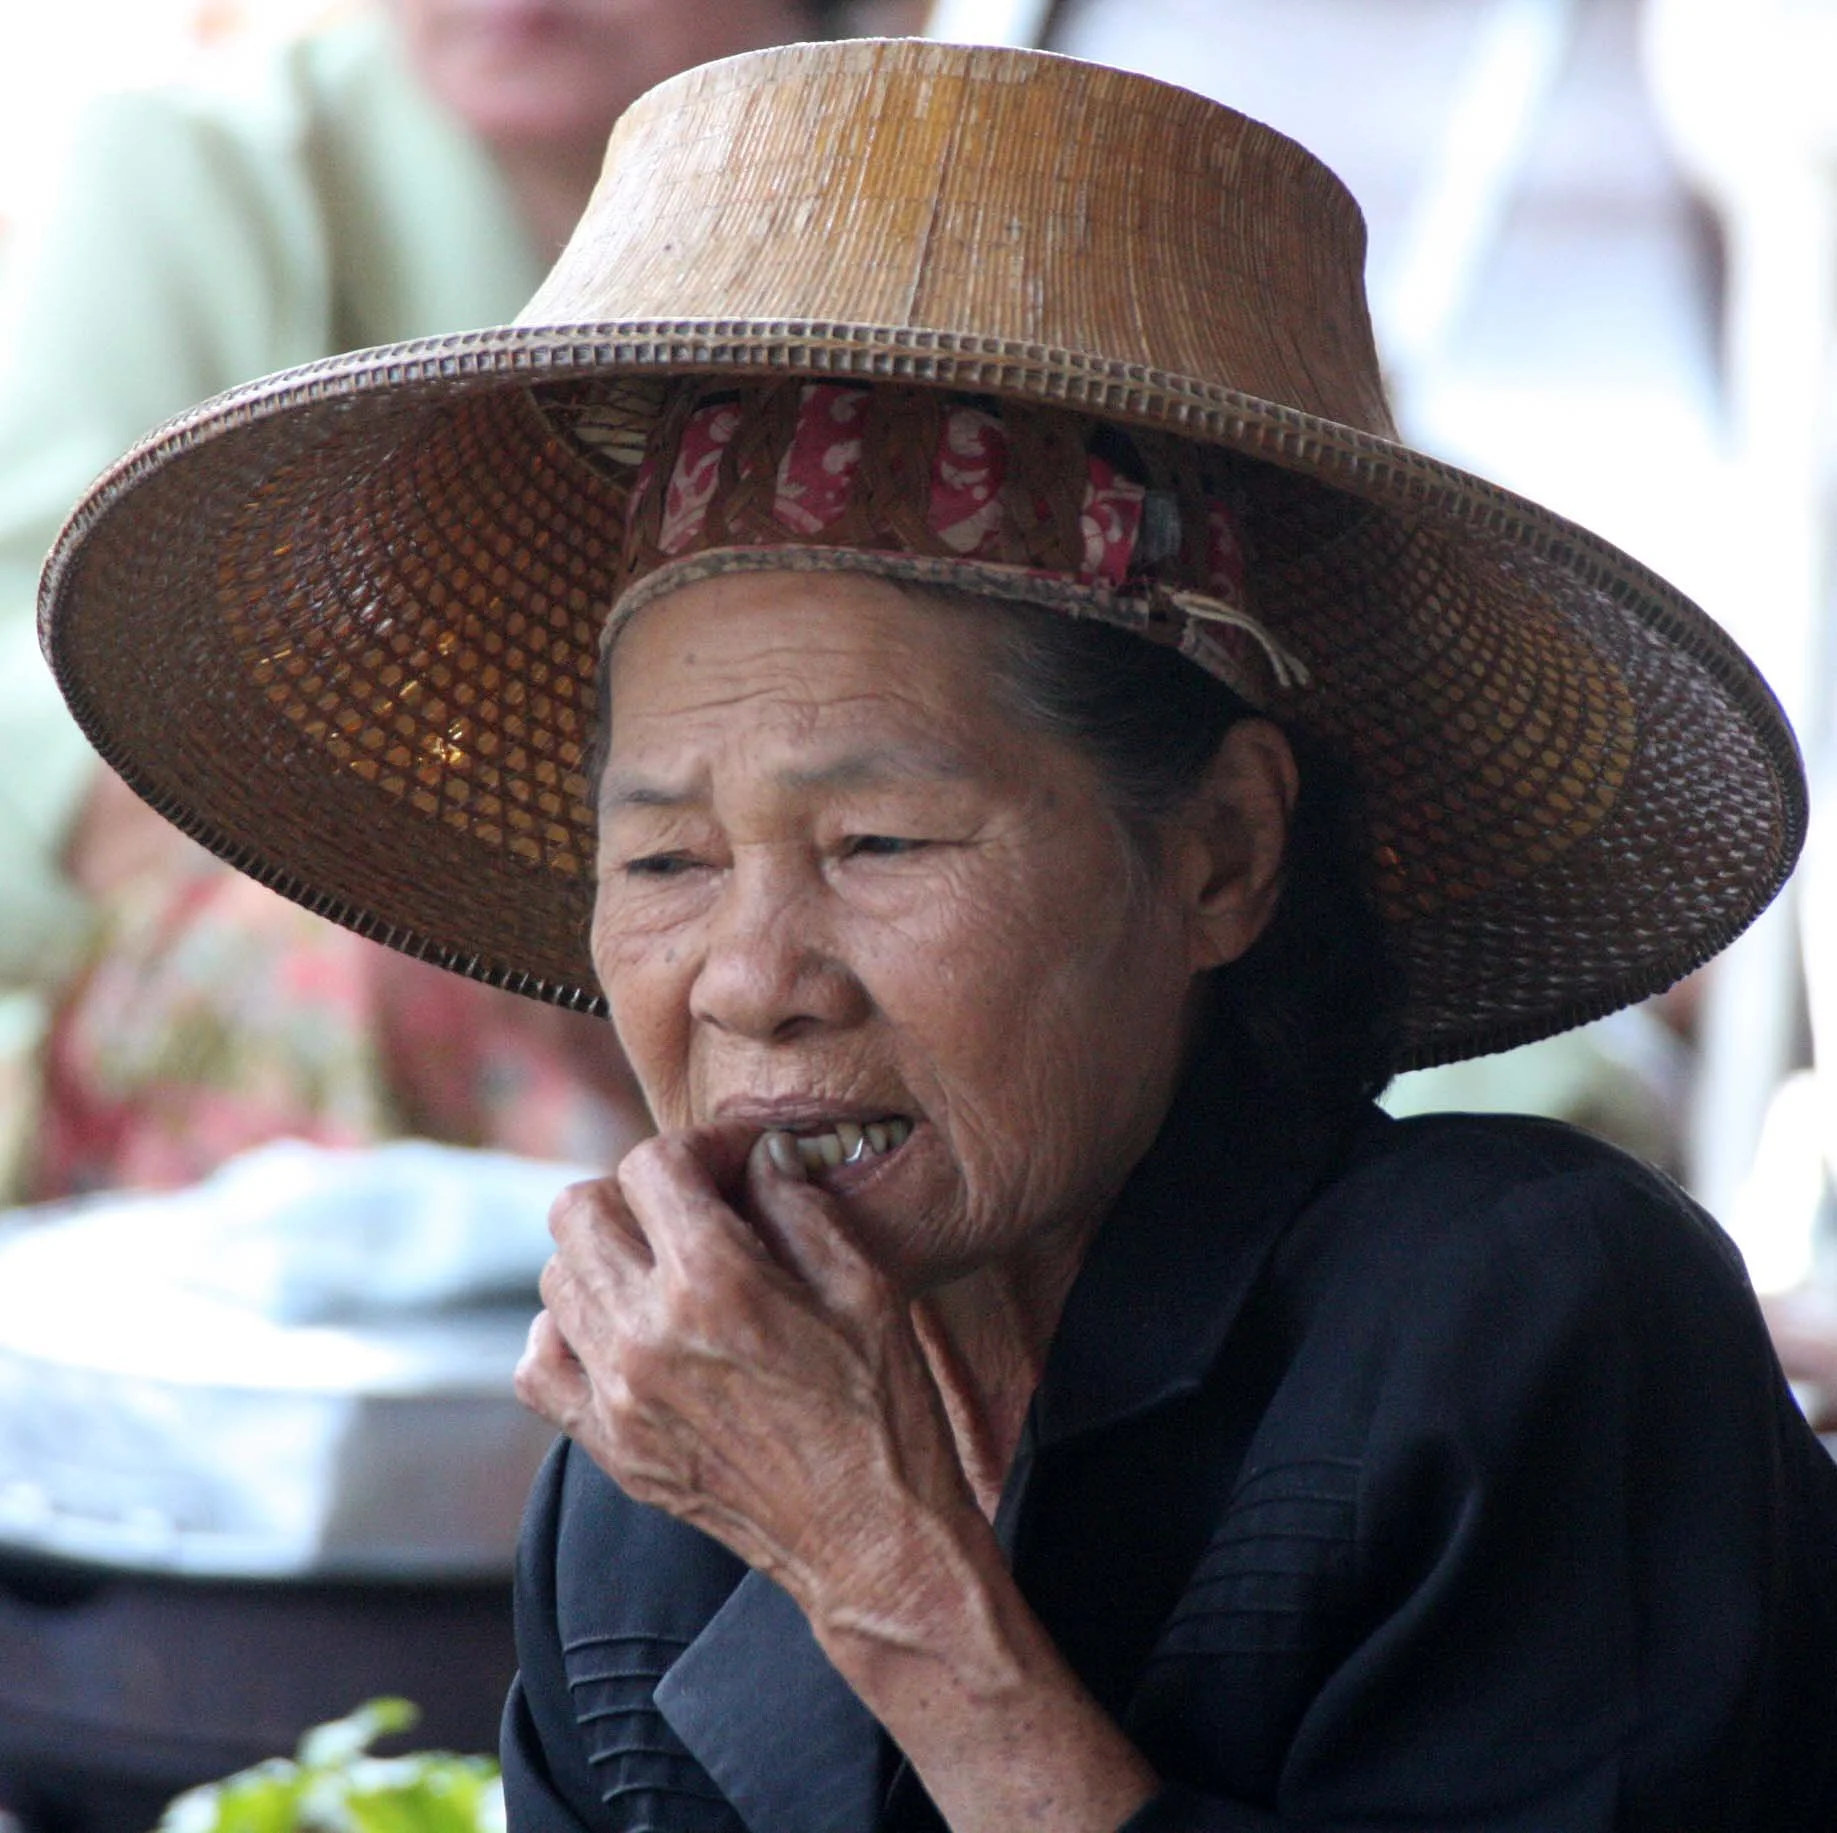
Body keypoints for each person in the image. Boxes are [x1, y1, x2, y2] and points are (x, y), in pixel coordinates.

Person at [40, 37, 1837, 1832]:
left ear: (1220, 851)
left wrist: (882, 1570)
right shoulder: (662, 1481)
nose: (749, 978)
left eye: (877, 838)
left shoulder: (1514, 1325)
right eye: (664, 862)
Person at [0, 0, 835, 1197]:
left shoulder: (950, 168)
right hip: (284, 991)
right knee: (392, 956)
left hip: (790, 878)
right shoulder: (202, 163)